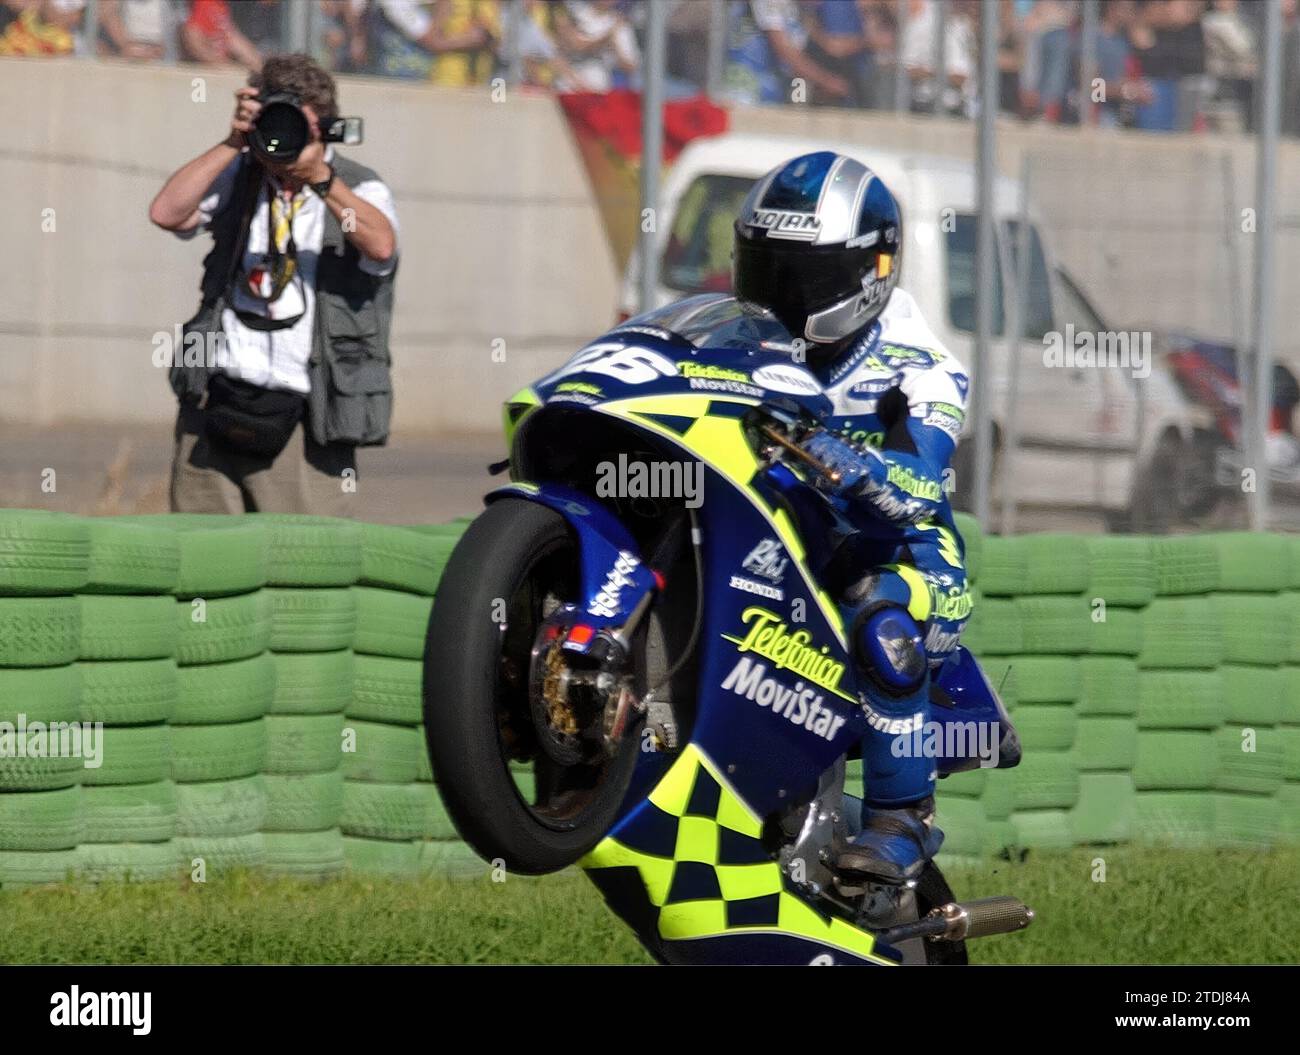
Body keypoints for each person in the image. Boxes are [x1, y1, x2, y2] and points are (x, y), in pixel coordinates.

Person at [731, 151, 971, 884]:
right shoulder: (743, 341)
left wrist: (858, 464)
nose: (779, 296)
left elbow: (924, 490)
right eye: (766, 270)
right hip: (792, 546)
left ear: (869, 272)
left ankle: (903, 818)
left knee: (880, 617)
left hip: (908, 565)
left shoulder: (921, 368)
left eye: (801, 278)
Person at [149, 53, 399, 516]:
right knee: (203, 558)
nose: (282, 134)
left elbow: (381, 246)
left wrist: (321, 181)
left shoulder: (359, 187)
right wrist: (234, 141)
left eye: (295, 122)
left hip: (307, 416)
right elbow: (167, 212)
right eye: (273, 118)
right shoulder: (241, 175)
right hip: (216, 400)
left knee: (301, 568)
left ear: (325, 127)